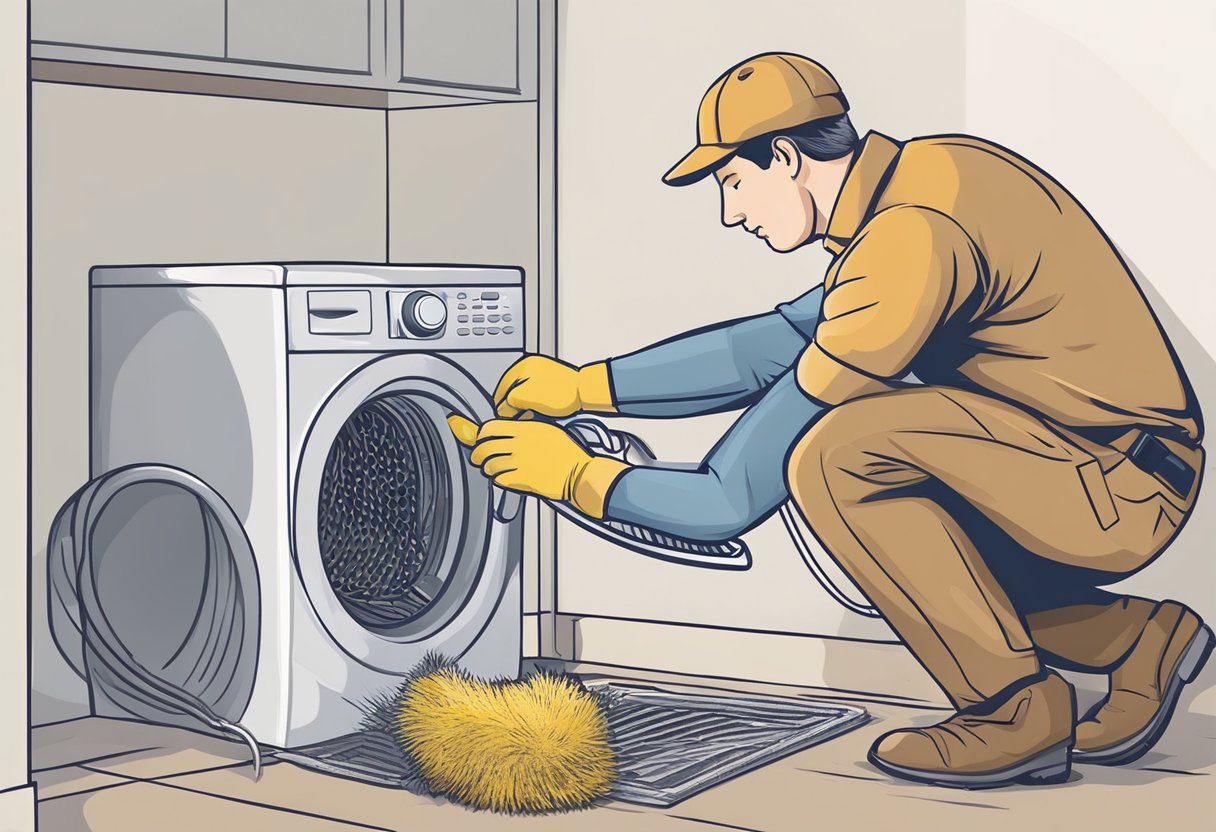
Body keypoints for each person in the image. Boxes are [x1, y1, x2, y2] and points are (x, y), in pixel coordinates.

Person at [447, 53, 1212, 789]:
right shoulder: (917, 188)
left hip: (1116, 489)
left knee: (834, 456)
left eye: (734, 181)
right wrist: (586, 387)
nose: (729, 212)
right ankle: (1137, 642)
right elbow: (764, 348)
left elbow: (728, 499)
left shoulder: (907, 242)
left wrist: (575, 476)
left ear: (785, 157)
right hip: (1092, 463)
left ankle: (1014, 709)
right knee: (896, 480)